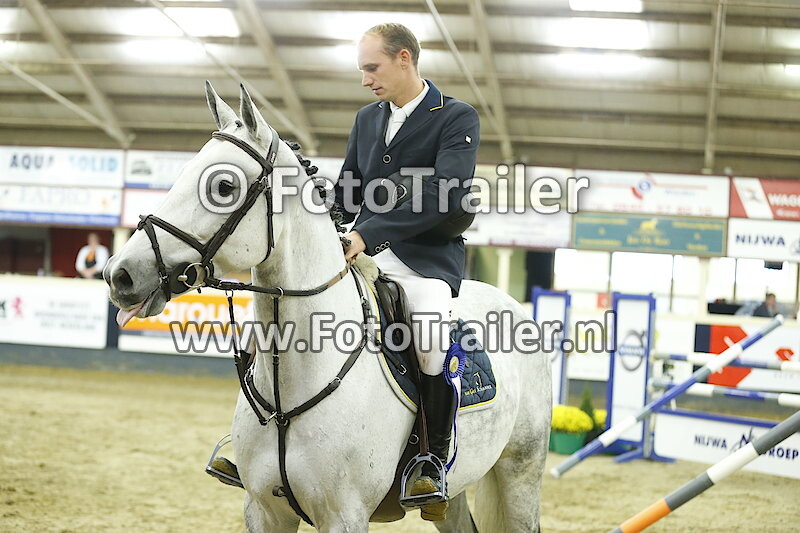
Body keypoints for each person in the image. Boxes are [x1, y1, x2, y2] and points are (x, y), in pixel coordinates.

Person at [334, 22, 480, 521]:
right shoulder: (366, 119)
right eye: (361, 71)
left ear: (404, 59)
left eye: (371, 68)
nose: (365, 80)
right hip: (361, 251)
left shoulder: (456, 116)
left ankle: (432, 458)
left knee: (431, 334)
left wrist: (366, 234)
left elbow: (444, 193)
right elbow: (349, 192)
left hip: (424, 261)